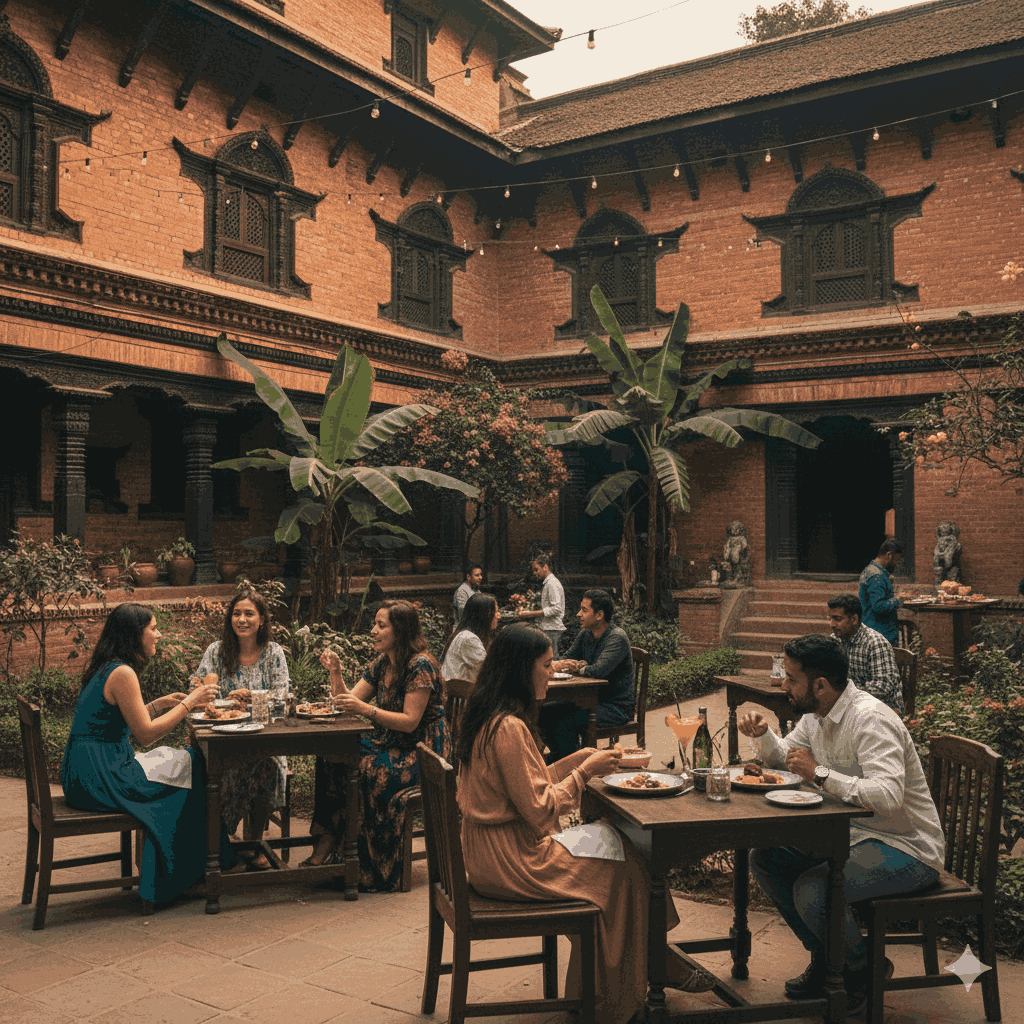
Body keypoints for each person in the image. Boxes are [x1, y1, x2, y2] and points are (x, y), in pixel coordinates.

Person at [456, 624, 711, 1024]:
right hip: (511, 860)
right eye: (545, 664)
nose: (552, 671)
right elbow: (539, 809)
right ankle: (616, 996)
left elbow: (527, 782)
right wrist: (585, 772)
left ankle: (636, 969)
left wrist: (579, 760)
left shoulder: (491, 717)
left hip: (491, 851)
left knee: (621, 850)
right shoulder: (508, 728)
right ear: (522, 670)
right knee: (621, 868)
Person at [738, 634, 944, 1012]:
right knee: (766, 858)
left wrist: (820, 774)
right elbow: (787, 758)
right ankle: (829, 961)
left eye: (790, 678)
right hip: (854, 838)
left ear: (820, 685)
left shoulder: (870, 719)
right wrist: (765, 734)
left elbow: (887, 795)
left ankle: (863, 970)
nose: (783, 685)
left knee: (814, 890)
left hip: (908, 848)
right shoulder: (818, 715)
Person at [61, 604, 244, 907]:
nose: (159, 634)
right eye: (154, 628)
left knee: (191, 765)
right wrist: (190, 703)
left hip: (88, 769)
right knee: (196, 769)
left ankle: (201, 865)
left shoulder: (109, 666)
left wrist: (159, 704)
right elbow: (145, 735)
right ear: (136, 634)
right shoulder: (123, 672)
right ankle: (185, 874)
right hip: (101, 775)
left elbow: (121, 724)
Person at [307, 599, 449, 890]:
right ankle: (332, 843)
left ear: (401, 631)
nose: (373, 630)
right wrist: (336, 672)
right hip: (392, 742)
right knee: (333, 755)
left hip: (422, 750)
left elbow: (410, 721)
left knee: (367, 769)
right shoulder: (385, 661)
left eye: (381, 625)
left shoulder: (419, 665)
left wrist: (366, 711)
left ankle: (370, 865)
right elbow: (350, 703)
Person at [194, 589, 289, 869]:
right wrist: (224, 699)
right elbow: (199, 689)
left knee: (269, 765)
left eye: (249, 614)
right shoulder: (216, 651)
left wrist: (254, 696)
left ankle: (256, 843)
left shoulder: (273, 653)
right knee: (226, 769)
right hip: (223, 740)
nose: (242, 619)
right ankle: (223, 841)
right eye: (237, 613)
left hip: (265, 739)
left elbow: (282, 695)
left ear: (261, 620)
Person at [539, 589, 635, 761]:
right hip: (588, 702)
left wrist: (577, 668)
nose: (578, 614)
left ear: (599, 615)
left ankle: (570, 764)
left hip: (614, 708)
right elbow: (566, 658)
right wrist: (575, 665)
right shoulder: (586, 634)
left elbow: (598, 671)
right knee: (544, 711)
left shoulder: (616, 638)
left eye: (584, 610)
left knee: (563, 720)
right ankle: (561, 760)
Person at [827, 593, 904, 715]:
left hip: (882, 709)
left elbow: (884, 688)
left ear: (854, 620)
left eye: (837, 619)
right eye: (830, 618)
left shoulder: (875, 643)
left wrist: (845, 692)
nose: (832, 624)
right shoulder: (835, 641)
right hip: (849, 705)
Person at [440, 592, 499, 684]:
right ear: (486, 615)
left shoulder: (467, 635)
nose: (498, 616)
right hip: (458, 696)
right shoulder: (468, 638)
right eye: (496, 612)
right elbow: (491, 670)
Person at [518, 553, 565, 655]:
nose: (535, 573)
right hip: (548, 627)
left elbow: (556, 608)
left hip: (552, 629)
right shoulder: (548, 583)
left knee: (551, 660)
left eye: (536, 569)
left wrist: (530, 614)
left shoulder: (552, 583)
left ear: (545, 567)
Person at [859, 539, 903, 644]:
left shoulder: (871, 570)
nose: (897, 564)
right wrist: (899, 600)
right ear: (889, 555)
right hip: (881, 633)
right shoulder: (876, 575)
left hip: (874, 631)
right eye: (896, 560)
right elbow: (879, 607)